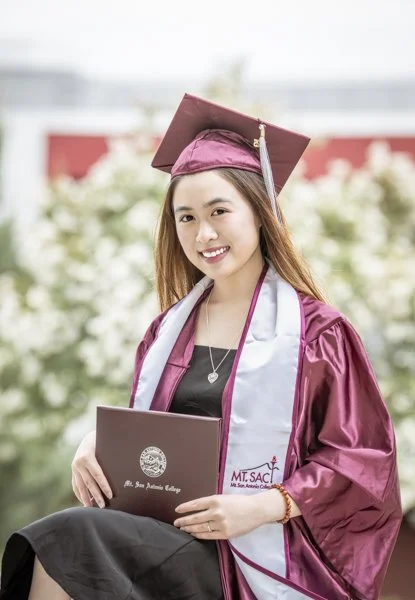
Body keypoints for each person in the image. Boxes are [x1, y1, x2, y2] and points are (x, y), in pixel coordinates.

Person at [0, 93, 402, 600]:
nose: (203, 233)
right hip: (168, 536)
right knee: (63, 541)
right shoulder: (168, 331)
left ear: (260, 212)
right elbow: (151, 443)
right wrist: (95, 445)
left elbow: (361, 461)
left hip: (261, 551)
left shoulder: (318, 334)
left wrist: (260, 506)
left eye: (219, 211)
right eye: (186, 217)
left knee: (68, 537)